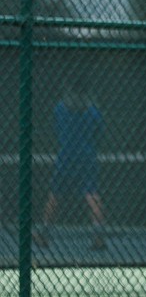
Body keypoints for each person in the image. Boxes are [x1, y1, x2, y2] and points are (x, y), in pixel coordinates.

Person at [35, 80, 107, 250]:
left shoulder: (60, 108)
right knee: (92, 194)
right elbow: (99, 132)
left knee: (55, 194)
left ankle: (44, 234)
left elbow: (57, 128)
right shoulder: (93, 111)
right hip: (87, 155)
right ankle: (98, 236)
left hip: (66, 155)